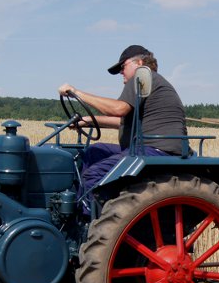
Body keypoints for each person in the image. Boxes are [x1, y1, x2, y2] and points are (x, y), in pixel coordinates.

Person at [57, 45, 187, 208]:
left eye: (123, 66)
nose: (120, 72)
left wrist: (76, 92)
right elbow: (123, 122)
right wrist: (87, 120)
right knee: (94, 152)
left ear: (139, 62)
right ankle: (81, 204)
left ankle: (84, 223)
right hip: (147, 147)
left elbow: (119, 109)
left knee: (94, 174)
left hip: (155, 149)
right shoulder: (150, 83)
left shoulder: (143, 77)